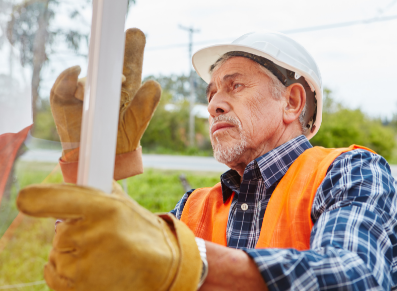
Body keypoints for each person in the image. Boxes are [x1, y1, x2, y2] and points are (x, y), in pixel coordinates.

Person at [16, 30, 397, 291]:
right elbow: (106, 260)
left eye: (235, 85)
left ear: (292, 102)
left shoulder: (351, 172)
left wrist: (187, 260)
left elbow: (357, 276)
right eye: (211, 92)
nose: (213, 104)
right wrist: (94, 167)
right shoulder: (193, 207)